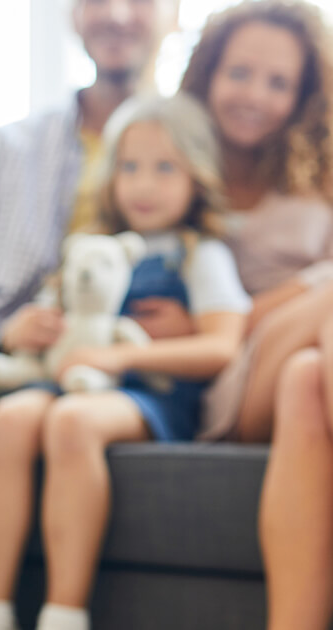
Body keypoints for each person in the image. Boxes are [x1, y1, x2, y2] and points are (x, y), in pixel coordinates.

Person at [0, 94, 250, 630]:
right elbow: (51, 316)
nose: (144, 184)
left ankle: (64, 612)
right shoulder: (89, 245)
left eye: (165, 168)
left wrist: (118, 354)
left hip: (151, 395)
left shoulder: (198, 252)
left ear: (198, 176)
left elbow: (222, 346)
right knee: (10, 418)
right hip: (67, 378)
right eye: (130, 167)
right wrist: (19, 330)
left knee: (73, 423)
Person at [0, 0, 177, 376]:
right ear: (75, 14)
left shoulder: (197, 149)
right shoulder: (8, 147)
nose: (116, 14)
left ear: (174, 12)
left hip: (129, 371)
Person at [177, 2, 333, 628]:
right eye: (241, 73)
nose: (257, 96)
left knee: (305, 379)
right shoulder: (173, 166)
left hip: (301, 359)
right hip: (226, 373)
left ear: (302, 94)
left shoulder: (316, 172)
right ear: (209, 72)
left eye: (279, 83)